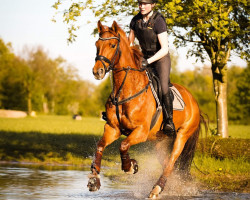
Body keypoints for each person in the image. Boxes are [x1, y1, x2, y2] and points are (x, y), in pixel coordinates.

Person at [128, 0, 175, 135]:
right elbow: (129, 42)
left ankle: (169, 122)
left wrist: (148, 61)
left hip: (160, 58)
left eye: (145, 3)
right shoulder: (135, 20)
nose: (141, 6)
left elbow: (165, 48)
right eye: (140, 3)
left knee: (163, 86)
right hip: (143, 57)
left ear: (153, 5)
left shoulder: (159, 20)